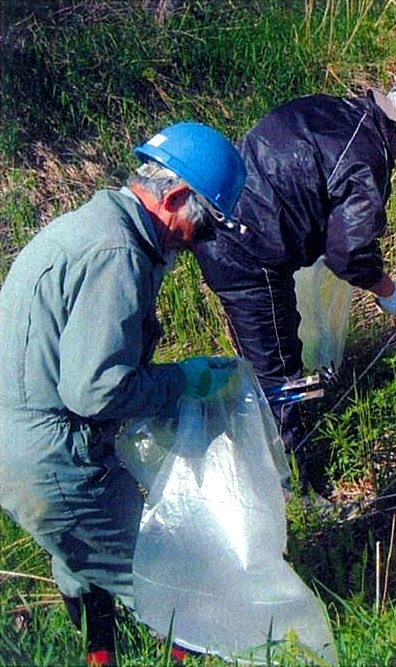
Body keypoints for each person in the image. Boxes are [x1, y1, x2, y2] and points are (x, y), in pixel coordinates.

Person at [0, 122, 247, 666]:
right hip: (52, 459)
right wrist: (181, 381)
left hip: (20, 449)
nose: (199, 242)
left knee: (82, 558)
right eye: (203, 228)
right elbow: (94, 389)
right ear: (176, 198)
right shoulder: (118, 254)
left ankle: (100, 656)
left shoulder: (90, 227)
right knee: (171, 575)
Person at [193, 78, 396, 497]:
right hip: (248, 255)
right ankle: (290, 491)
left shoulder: (329, 109)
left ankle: (259, 448)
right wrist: (385, 288)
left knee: (262, 358)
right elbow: (348, 254)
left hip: (217, 222)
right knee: (277, 375)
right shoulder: (369, 157)